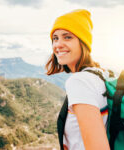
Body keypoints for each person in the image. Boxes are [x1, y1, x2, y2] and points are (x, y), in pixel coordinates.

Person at [46, 9, 110, 150]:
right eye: (55, 38)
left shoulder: (79, 82)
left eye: (67, 37)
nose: (58, 44)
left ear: (83, 43)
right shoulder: (100, 74)